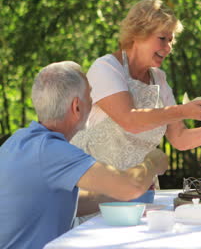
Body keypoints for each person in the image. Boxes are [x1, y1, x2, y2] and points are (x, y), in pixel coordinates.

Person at [71, 0, 201, 207]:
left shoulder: (159, 78)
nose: (169, 47)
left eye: (171, 40)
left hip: (140, 188)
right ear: (138, 34)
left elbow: (180, 139)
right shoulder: (106, 68)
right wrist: (185, 111)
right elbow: (130, 120)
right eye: (163, 38)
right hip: (97, 188)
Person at [0, 61, 164, 249]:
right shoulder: (52, 150)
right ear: (77, 107)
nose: (94, 101)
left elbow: (71, 201)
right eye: (90, 96)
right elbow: (131, 185)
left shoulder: (18, 141)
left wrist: (117, 193)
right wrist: (153, 161)